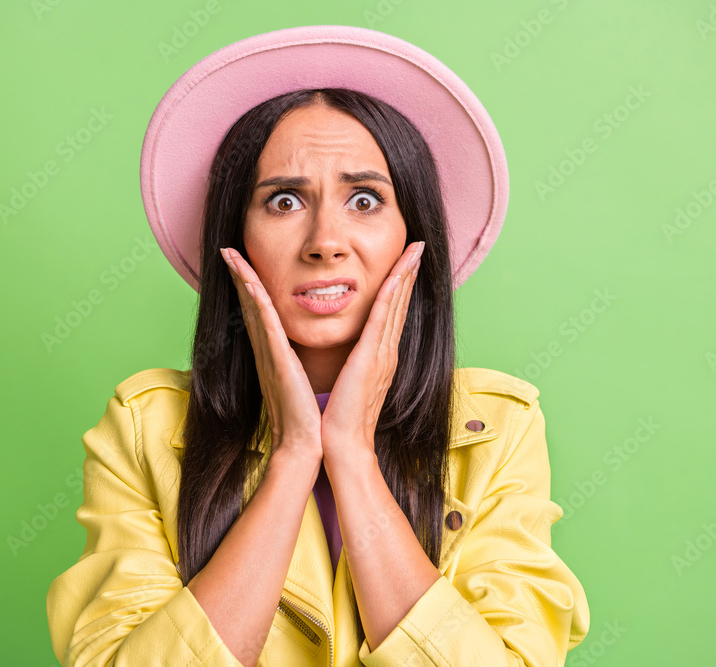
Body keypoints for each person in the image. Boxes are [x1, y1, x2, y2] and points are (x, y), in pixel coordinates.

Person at [46, 25, 589, 667]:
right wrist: (296, 454)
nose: (325, 240)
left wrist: (352, 454)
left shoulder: (500, 428)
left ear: (416, 238)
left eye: (364, 199)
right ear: (235, 239)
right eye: (283, 201)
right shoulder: (144, 428)